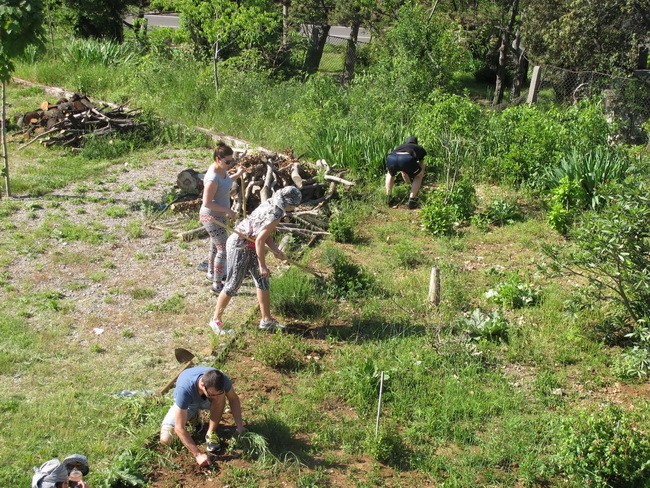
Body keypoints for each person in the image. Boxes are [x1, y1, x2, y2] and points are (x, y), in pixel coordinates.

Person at [209, 186, 302, 335]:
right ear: (288, 203)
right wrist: (262, 265)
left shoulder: (272, 203)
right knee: (234, 283)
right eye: (294, 206)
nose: (293, 209)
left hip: (250, 243)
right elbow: (260, 240)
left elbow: (265, 235)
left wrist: (277, 251)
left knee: (262, 281)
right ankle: (215, 320)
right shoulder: (276, 212)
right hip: (240, 244)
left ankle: (266, 320)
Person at [160, 366, 245, 467]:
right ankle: (193, 416)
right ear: (202, 385)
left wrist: (239, 426)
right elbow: (179, 428)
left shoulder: (221, 379)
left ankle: (210, 432)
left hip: (206, 401)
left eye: (219, 393)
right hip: (188, 404)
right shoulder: (185, 389)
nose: (216, 396)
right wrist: (198, 454)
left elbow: (233, 399)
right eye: (212, 394)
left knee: (220, 398)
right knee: (166, 439)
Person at [200, 142, 246, 294]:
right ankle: (217, 285)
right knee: (223, 249)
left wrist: (237, 175)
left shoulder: (221, 170)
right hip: (210, 218)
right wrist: (228, 210)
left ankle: (211, 273)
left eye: (231, 161)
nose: (230, 164)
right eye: (227, 161)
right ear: (218, 159)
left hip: (219, 216)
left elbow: (225, 183)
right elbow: (207, 202)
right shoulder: (212, 178)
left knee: (215, 246)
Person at [385, 135, 427, 209]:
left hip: (391, 157)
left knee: (390, 173)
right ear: (416, 143)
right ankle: (412, 201)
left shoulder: (400, 146)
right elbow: (421, 163)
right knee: (419, 176)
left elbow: (403, 171)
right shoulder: (419, 148)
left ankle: (388, 197)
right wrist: (420, 171)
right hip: (406, 159)